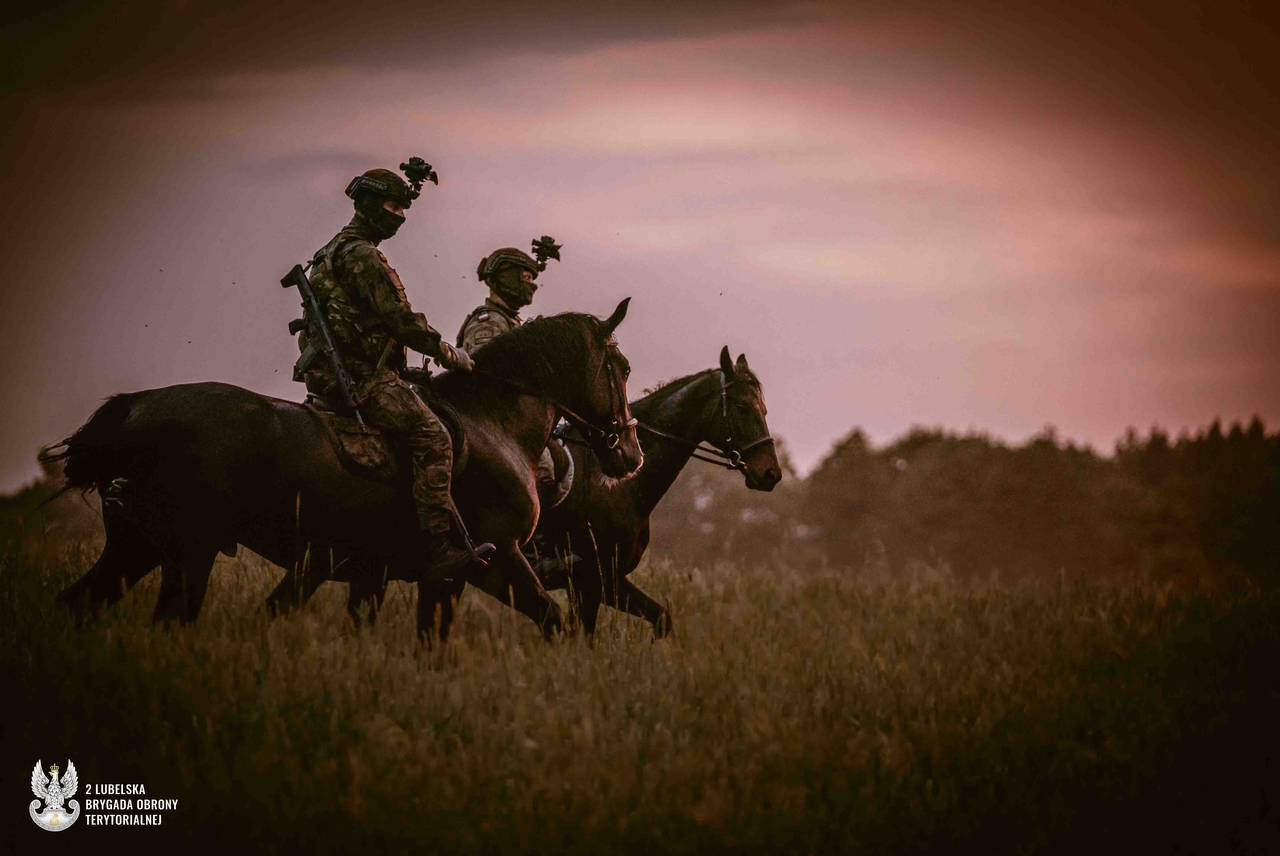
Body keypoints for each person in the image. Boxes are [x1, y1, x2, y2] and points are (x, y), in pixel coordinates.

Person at [297, 162, 493, 577]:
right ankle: (437, 545)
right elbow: (399, 320)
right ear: (367, 204)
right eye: (392, 206)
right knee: (434, 437)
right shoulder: (363, 256)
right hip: (361, 378)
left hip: (336, 373)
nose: (399, 218)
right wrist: (445, 352)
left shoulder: (329, 251)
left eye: (404, 210)